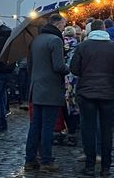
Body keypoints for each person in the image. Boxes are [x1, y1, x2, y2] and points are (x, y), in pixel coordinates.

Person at [71, 20, 114, 177]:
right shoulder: (113, 47)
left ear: (90, 31)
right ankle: (105, 167)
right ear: (104, 30)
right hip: (107, 94)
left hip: (86, 93)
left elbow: (74, 69)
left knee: (88, 129)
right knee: (106, 131)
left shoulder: (83, 47)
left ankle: (89, 166)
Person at [25, 14, 70, 172]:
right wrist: (69, 67)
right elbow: (58, 67)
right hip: (50, 89)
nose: (64, 28)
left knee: (35, 125)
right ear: (58, 24)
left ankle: (30, 159)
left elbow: (30, 65)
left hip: (36, 88)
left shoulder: (36, 40)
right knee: (48, 127)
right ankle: (46, 160)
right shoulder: (55, 40)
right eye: (64, 25)